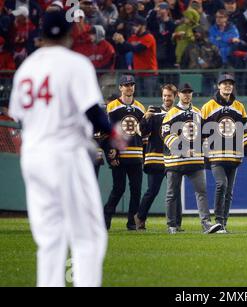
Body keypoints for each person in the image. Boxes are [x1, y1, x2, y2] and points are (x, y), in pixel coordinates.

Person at [8, 10, 126, 287]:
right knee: (88, 235)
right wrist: (112, 133)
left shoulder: (27, 68)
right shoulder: (75, 63)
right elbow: (92, 111)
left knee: (49, 237)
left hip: (33, 156)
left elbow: (17, 115)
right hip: (65, 153)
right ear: (68, 34)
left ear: (40, 35)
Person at [161, 83, 221, 234]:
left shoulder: (198, 112)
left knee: (201, 191)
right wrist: (182, 149)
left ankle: (206, 224)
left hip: (195, 160)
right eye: (184, 92)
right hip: (175, 160)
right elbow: (166, 135)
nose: (187, 95)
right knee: (172, 193)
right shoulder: (171, 113)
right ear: (178, 95)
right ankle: (171, 225)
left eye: (189, 92)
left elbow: (205, 134)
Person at [201, 74, 247, 233]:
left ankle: (223, 224)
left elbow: (245, 130)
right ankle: (218, 221)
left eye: (230, 84)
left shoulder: (239, 106)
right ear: (218, 86)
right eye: (224, 84)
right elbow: (201, 132)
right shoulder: (208, 106)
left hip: (234, 155)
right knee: (222, 184)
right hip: (215, 155)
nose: (227, 86)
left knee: (229, 191)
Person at [134, 84, 183, 231]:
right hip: (155, 158)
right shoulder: (154, 112)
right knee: (152, 191)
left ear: (175, 97)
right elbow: (141, 132)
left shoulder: (179, 113)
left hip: (173, 158)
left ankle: (176, 223)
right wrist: (145, 118)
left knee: (175, 191)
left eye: (169, 96)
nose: (166, 98)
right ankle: (140, 217)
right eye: (164, 95)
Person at [104, 74, 146, 231]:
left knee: (136, 191)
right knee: (118, 189)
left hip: (135, 155)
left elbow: (143, 134)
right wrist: (110, 154)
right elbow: (106, 132)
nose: (129, 87)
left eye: (131, 85)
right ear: (120, 87)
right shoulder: (112, 106)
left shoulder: (141, 108)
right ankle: (105, 220)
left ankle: (132, 222)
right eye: (126, 85)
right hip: (120, 156)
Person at [113, 16, 158, 96]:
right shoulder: (133, 37)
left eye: (136, 25)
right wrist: (118, 42)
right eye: (133, 25)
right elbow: (123, 50)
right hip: (137, 72)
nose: (134, 27)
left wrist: (123, 41)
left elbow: (137, 49)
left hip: (149, 73)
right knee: (138, 98)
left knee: (149, 98)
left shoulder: (149, 37)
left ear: (143, 26)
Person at [181, 25, 223, 96]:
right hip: (193, 76)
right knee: (192, 100)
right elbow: (184, 62)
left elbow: (219, 61)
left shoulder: (212, 47)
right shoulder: (189, 47)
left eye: (198, 32)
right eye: (194, 32)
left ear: (202, 33)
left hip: (208, 76)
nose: (196, 34)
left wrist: (209, 65)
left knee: (207, 98)